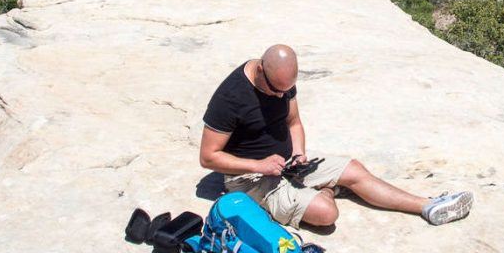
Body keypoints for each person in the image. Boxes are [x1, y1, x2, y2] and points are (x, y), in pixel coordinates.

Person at [199, 43, 473, 228]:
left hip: (285, 166)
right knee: (327, 214)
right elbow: (208, 157)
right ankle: (325, 191)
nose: (283, 95)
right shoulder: (231, 98)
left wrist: (298, 153)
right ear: (261, 70)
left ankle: (428, 206)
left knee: (353, 169)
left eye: (288, 90)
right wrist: (258, 165)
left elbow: (293, 122)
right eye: (277, 91)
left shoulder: (281, 82)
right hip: (251, 178)